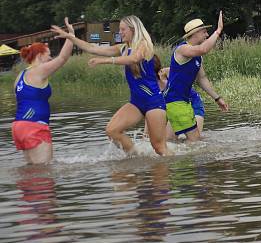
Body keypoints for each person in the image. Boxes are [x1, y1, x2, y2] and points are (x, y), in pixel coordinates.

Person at [52, 16, 171, 156]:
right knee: (112, 130)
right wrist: (71, 37)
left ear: (133, 29)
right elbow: (92, 48)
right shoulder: (123, 48)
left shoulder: (144, 44)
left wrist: (105, 61)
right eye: (119, 29)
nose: (120, 32)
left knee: (159, 148)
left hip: (154, 102)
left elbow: (134, 59)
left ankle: (173, 167)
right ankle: (137, 157)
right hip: (136, 103)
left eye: (123, 29)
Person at [13, 19, 74, 164]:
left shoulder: (19, 77)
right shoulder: (39, 70)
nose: (50, 57)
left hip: (19, 127)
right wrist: (71, 35)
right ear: (39, 56)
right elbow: (63, 58)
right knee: (44, 173)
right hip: (35, 125)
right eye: (48, 55)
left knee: (31, 171)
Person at [163, 13, 229, 142]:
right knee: (195, 142)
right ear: (195, 33)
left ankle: (154, 160)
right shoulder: (182, 49)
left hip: (179, 102)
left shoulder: (197, 56)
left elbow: (202, 79)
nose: (207, 35)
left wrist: (217, 98)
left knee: (169, 142)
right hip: (177, 102)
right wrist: (218, 30)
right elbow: (203, 49)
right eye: (204, 32)